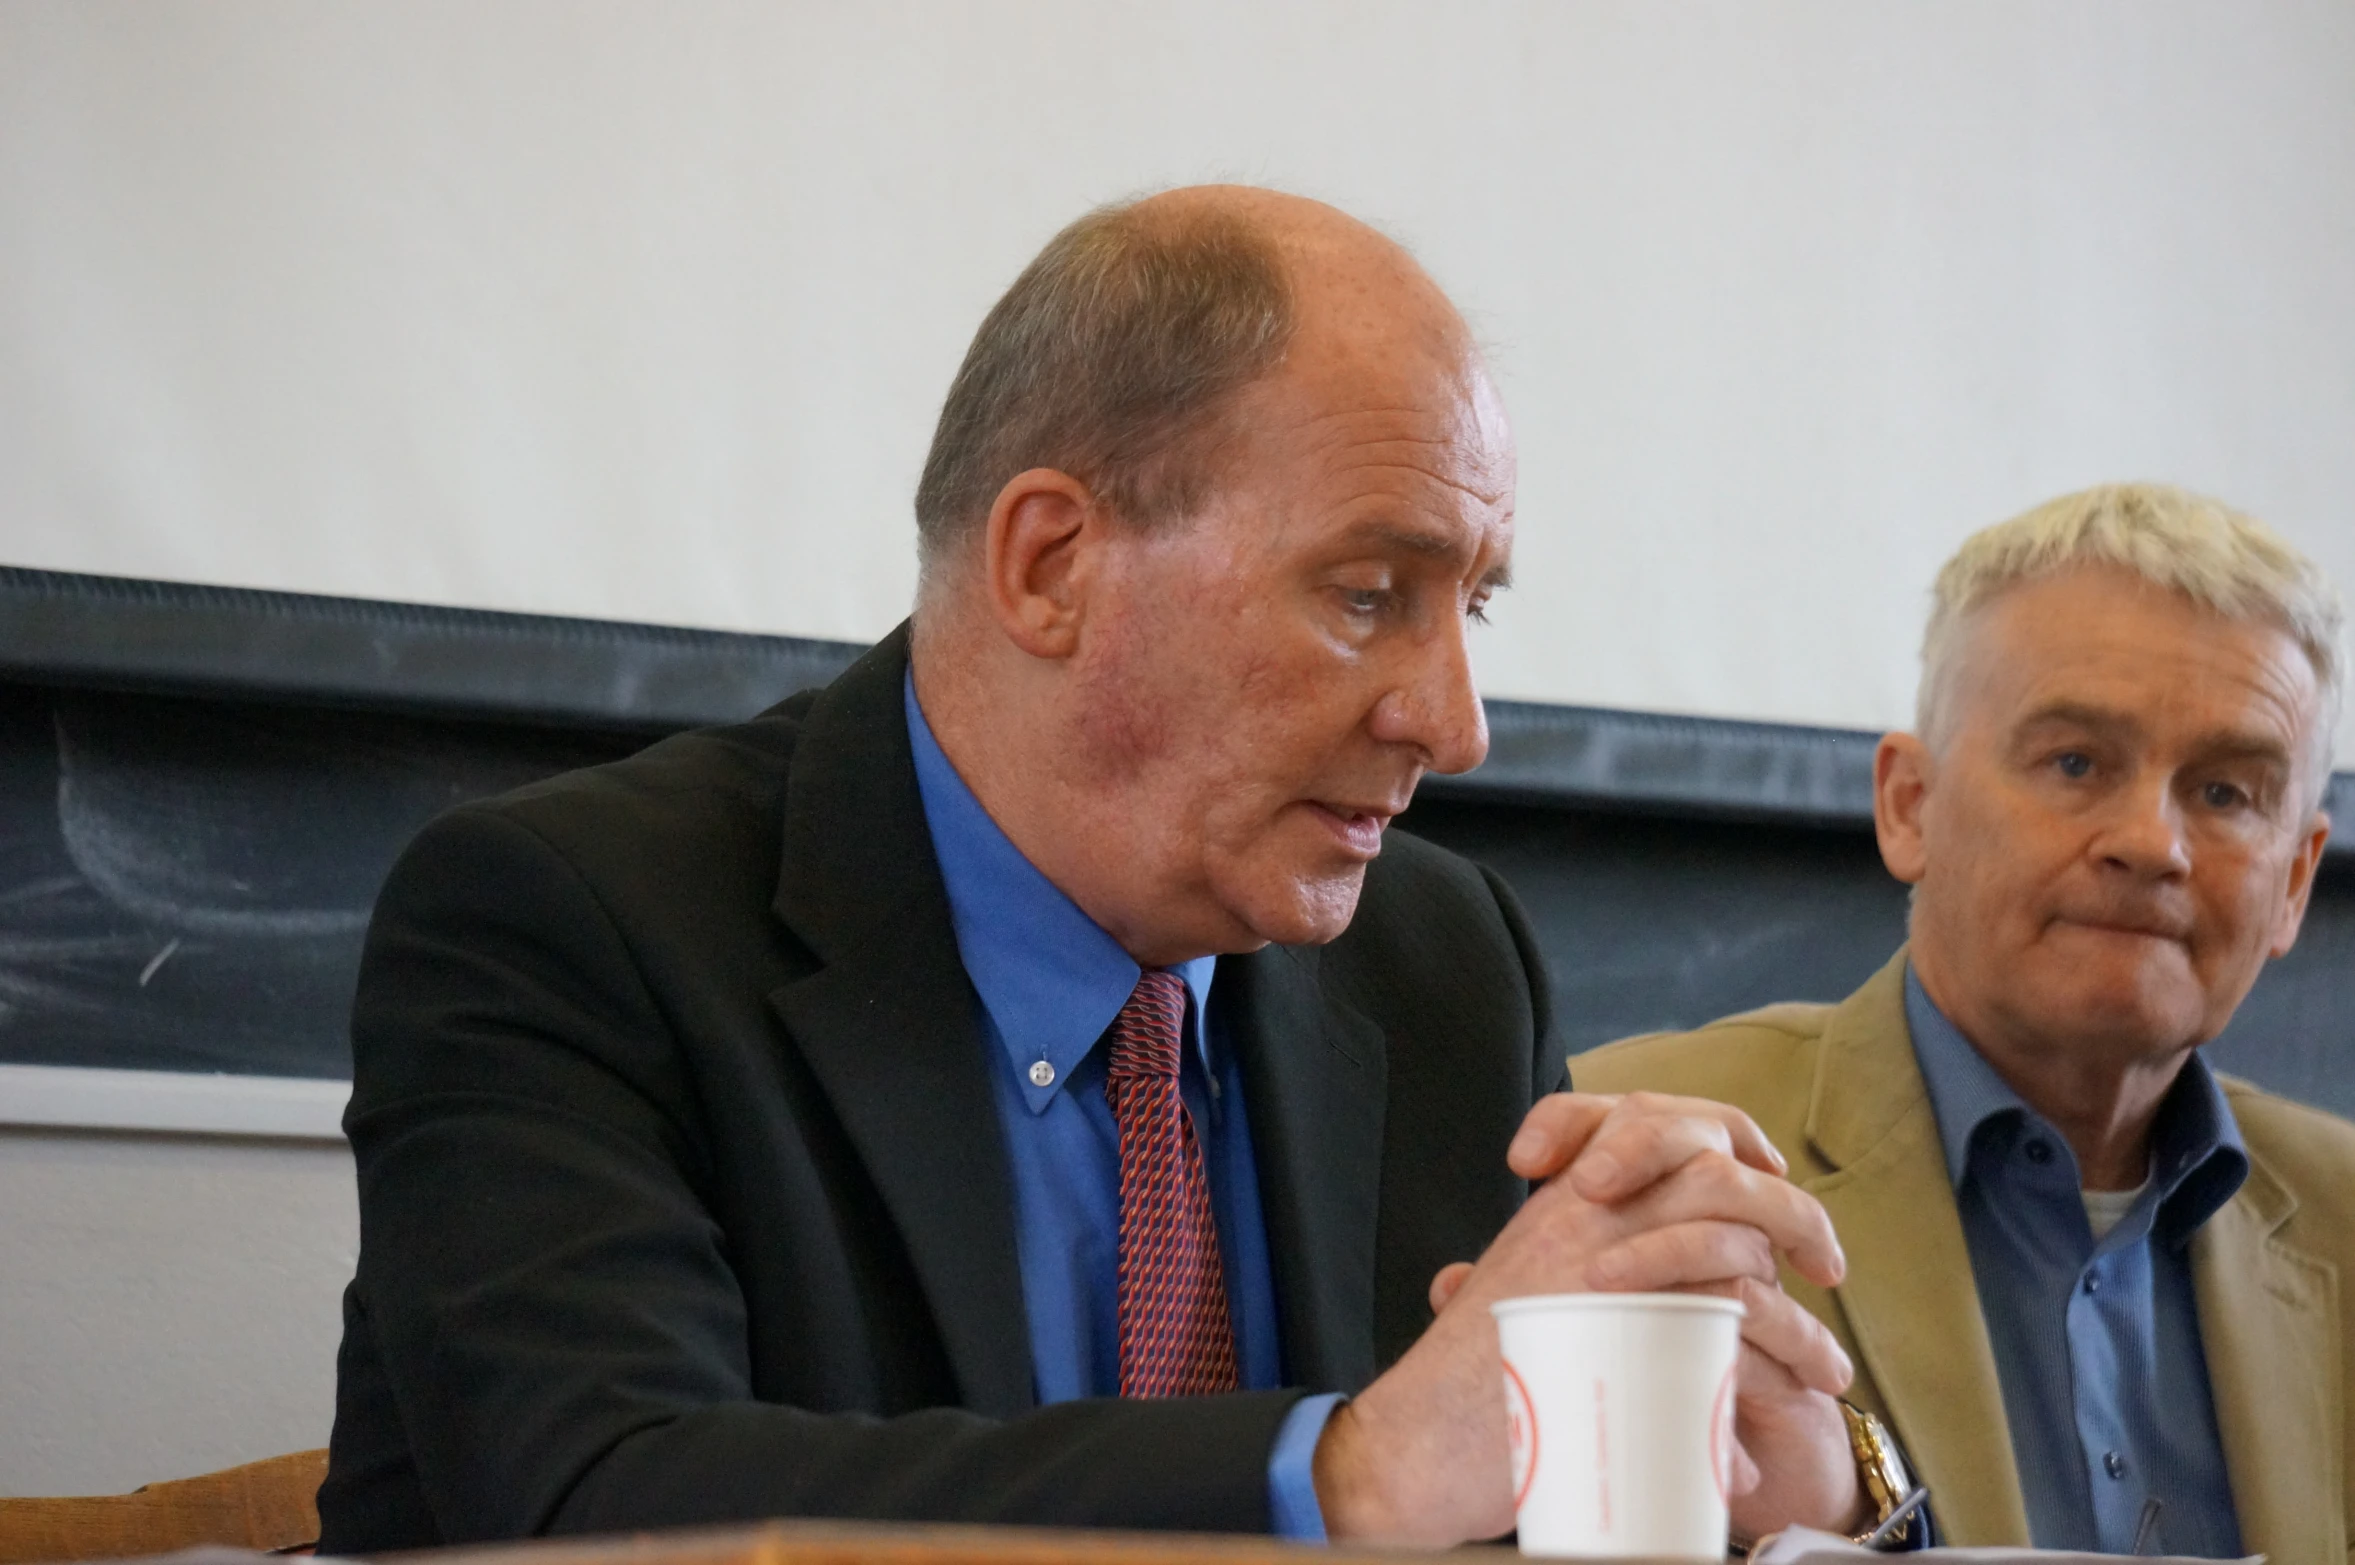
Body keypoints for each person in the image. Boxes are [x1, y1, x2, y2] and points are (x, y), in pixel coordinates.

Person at [317, 186, 1881, 1552]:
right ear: (1051, 566)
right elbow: (611, 1506)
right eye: (1363, 592)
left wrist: (1788, 1500)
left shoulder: (1443, 961)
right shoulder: (567, 925)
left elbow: (1517, 1502)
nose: (1452, 726)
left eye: (1468, 607)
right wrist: (1347, 1471)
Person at [1573, 483, 2354, 1559]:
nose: (2152, 842)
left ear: (2298, 882)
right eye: (2076, 762)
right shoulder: (1643, 1154)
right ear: (1910, 805)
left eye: (2225, 793)